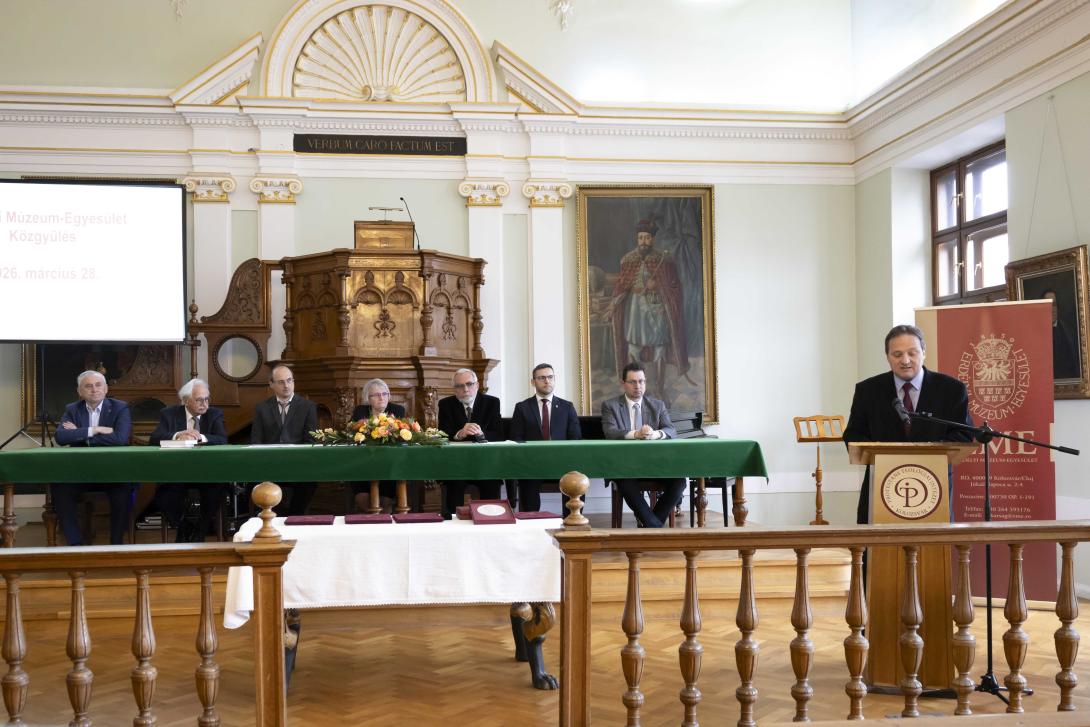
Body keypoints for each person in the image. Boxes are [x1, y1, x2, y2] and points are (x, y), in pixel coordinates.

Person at [843, 324, 973, 525]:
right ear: (887, 357)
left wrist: (929, 451)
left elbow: (963, 434)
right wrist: (879, 452)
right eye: (897, 354)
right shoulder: (868, 390)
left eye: (912, 353)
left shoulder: (951, 389)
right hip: (882, 485)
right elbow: (853, 434)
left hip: (932, 485)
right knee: (878, 543)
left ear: (924, 353)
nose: (905, 361)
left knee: (932, 543)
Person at [608, 217, 688, 404]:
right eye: (641, 238)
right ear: (637, 239)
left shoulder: (664, 260)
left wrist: (658, 285)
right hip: (635, 311)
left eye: (647, 238)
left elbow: (675, 286)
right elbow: (621, 286)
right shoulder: (628, 260)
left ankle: (659, 388)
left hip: (657, 311)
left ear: (653, 239)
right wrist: (613, 304)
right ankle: (632, 390)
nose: (644, 241)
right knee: (634, 347)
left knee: (660, 347)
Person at [53, 370, 135, 545]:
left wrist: (80, 434)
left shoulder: (120, 407)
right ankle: (76, 544)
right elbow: (61, 437)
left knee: (124, 489)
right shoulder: (72, 409)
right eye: (88, 386)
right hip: (80, 472)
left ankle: (116, 543)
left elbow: (120, 439)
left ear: (106, 389)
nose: (94, 390)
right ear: (79, 391)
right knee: (60, 488)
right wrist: (94, 430)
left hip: (112, 471)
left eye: (98, 385)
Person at [600, 362, 685, 528]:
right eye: (632, 382)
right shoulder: (610, 406)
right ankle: (654, 526)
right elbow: (610, 432)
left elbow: (671, 430)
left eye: (641, 381)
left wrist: (655, 434)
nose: (637, 386)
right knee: (624, 480)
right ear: (623, 383)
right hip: (625, 465)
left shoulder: (657, 405)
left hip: (655, 463)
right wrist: (636, 434)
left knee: (680, 481)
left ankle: (651, 524)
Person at [149, 378, 228, 541]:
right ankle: (183, 526)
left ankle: (200, 531)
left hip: (207, 471)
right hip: (176, 471)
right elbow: (154, 438)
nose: (204, 404)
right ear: (185, 400)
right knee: (164, 494)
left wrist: (199, 437)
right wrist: (178, 435)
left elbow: (222, 439)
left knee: (217, 489)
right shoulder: (169, 414)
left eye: (207, 399)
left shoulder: (214, 414)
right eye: (199, 400)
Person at [508, 363, 582, 511]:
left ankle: (571, 520)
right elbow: (516, 437)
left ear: (554, 379)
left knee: (576, 480)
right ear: (533, 382)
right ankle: (532, 521)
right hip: (532, 463)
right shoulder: (522, 407)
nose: (547, 381)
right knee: (527, 481)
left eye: (550, 377)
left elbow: (575, 438)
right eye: (541, 378)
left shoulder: (567, 407)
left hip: (562, 463)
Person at [251, 364, 319, 516]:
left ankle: (294, 518)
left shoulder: (308, 407)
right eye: (281, 382)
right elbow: (256, 441)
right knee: (255, 482)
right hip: (269, 465)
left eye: (289, 380)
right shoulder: (262, 408)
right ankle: (274, 519)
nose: (286, 385)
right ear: (271, 384)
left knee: (310, 482)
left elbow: (311, 441)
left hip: (298, 464)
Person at [437, 368, 502, 517]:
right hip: (457, 463)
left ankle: (490, 519)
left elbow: (498, 434)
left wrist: (481, 434)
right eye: (460, 386)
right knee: (453, 481)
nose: (465, 389)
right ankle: (452, 520)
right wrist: (460, 433)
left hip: (485, 463)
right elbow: (442, 434)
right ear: (454, 389)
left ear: (477, 385)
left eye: (469, 384)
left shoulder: (492, 403)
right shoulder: (446, 404)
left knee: (491, 481)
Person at [350, 378, 406, 513]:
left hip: (389, 463)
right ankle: (373, 522)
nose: (381, 398)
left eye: (384, 394)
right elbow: (352, 434)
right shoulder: (360, 411)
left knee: (385, 501)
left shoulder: (397, 410)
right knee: (362, 498)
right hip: (363, 463)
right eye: (376, 395)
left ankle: (382, 521)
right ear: (368, 399)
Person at [1041, 289, 1081, 380]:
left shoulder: (1070, 331)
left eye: (1054, 304)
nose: (1052, 309)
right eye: (1048, 304)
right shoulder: (1036, 334)